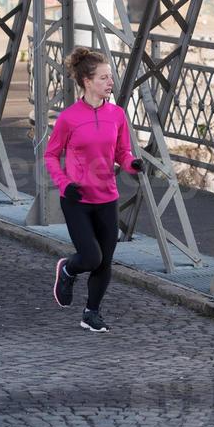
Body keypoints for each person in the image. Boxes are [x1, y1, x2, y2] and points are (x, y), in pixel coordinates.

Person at [43, 47, 147, 332]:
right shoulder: (69, 118)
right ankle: (67, 269)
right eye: (103, 78)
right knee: (91, 257)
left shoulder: (117, 115)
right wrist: (64, 184)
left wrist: (132, 164)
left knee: (105, 262)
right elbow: (50, 155)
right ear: (87, 82)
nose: (110, 82)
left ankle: (91, 313)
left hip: (107, 197)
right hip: (77, 199)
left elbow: (122, 153)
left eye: (110, 77)